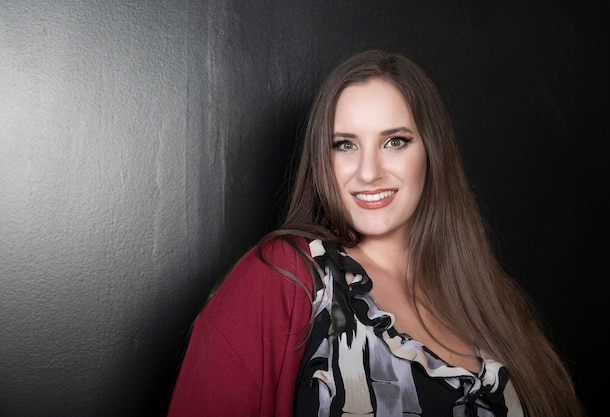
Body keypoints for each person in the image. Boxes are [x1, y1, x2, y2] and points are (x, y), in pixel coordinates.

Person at [167, 49, 585, 417]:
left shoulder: (493, 298)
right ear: (322, 159)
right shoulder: (283, 278)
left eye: (395, 142)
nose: (368, 172)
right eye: (345, 144)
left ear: (432, 154)